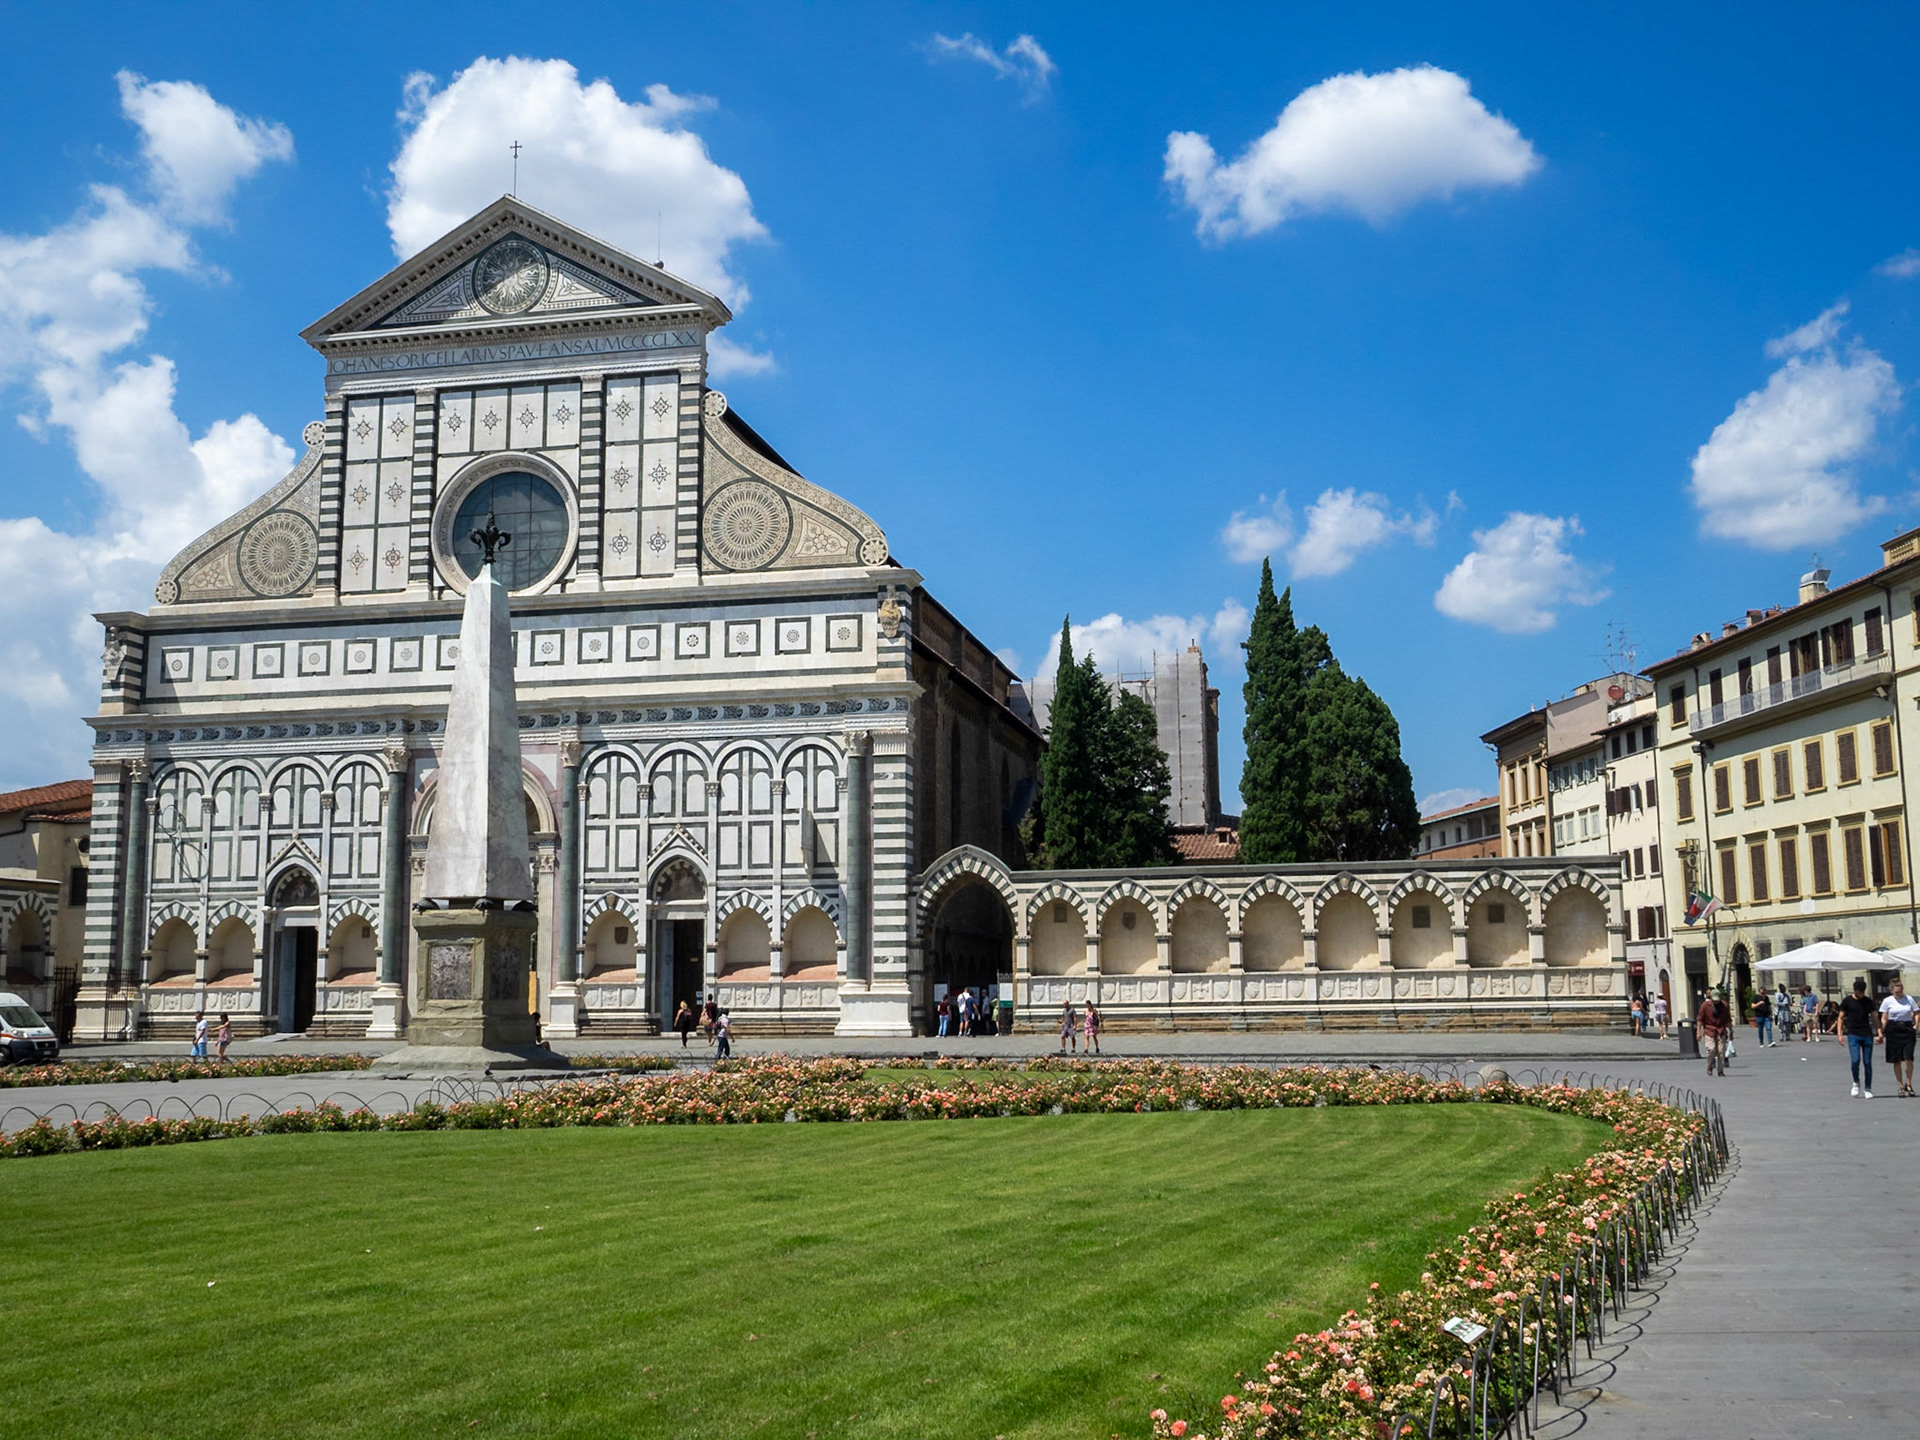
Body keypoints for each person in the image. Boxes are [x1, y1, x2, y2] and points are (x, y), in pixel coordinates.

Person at [1880, 976, 1918, 1097]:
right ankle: (1900, 1085)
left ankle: (1909, 1083)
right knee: (1896, 1059)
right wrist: (1881, 1031)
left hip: (1907, 1028)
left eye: (1900, 991)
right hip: (1893, 1029)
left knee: (1908, 1058)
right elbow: (1884, 1017)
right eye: (1896, 991)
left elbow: (1917, 1012)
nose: (1899, 993)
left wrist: (1916, 1025)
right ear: (1892, 990)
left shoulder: (1909, 999)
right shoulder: (1887, 1001)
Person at [1839, 979, 1877, 1097]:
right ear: (1855, 990)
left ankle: (1868, 1088)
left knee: (1867, 1062)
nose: (1861, 995)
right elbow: (1840, 1017)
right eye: (1859, 993)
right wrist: (1839, 1034)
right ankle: (1856, 1082)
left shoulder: (1868, 1002)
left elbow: (1875, 1017)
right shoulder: (1847, 1001)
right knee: (1855, 1060)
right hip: (1853, 1034)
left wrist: (1880, 1031)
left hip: (1867, 1034)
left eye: (1862, 993)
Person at [1697, 990, 1730, 1076]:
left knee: (1721, 1051)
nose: (1716, 1001)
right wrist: (1698, 1032)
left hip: (1721, 1030)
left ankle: (1720, 1070)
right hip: (1709, 1030)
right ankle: (1710, 1065)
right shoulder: (1705, 1006)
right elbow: (1700, 1020)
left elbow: (1728, 1019)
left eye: (1717, 1000)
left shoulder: (1724, 1005)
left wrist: (1731, 1031)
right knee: (1711, 1049)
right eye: (1714, 999)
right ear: (1711, 997)